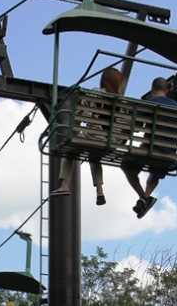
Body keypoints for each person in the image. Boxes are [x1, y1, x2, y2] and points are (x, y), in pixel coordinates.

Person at [53, 67, 126, 206]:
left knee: (68, 150)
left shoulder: (93, 93)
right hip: (109, 141)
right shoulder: (121, 101)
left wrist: (73, 130)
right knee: (95, 156)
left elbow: (78, 115)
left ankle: (65, 185)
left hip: (90, 137)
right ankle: (99, 190)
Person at [122, 77, 177, 219]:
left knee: (126, 166)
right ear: (166, 91)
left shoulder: (149, 103)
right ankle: (145, 198)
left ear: (152, 89)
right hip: (169, 153)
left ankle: (143, 196)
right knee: (155, 173)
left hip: (149, 150)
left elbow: (134, 127)